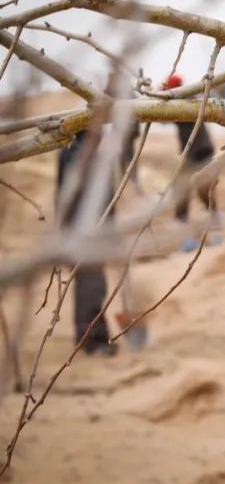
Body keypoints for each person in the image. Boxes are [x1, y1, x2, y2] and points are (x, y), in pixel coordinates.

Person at [56, 131, 116, 356]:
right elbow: (102, 198)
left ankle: (89, 336)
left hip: (79, 231)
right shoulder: (86, 156)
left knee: (89, 285)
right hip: (87, 233)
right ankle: (93, 341)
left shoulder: (71, 151)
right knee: (92, 286)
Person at [163, 73, 222, 251]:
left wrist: (162, 94)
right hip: (192, 153)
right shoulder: (182, 100)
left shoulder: (186, 101)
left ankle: (214, 232)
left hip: (200, 152)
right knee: (184, 192)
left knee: (203, 191)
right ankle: (189, 236)